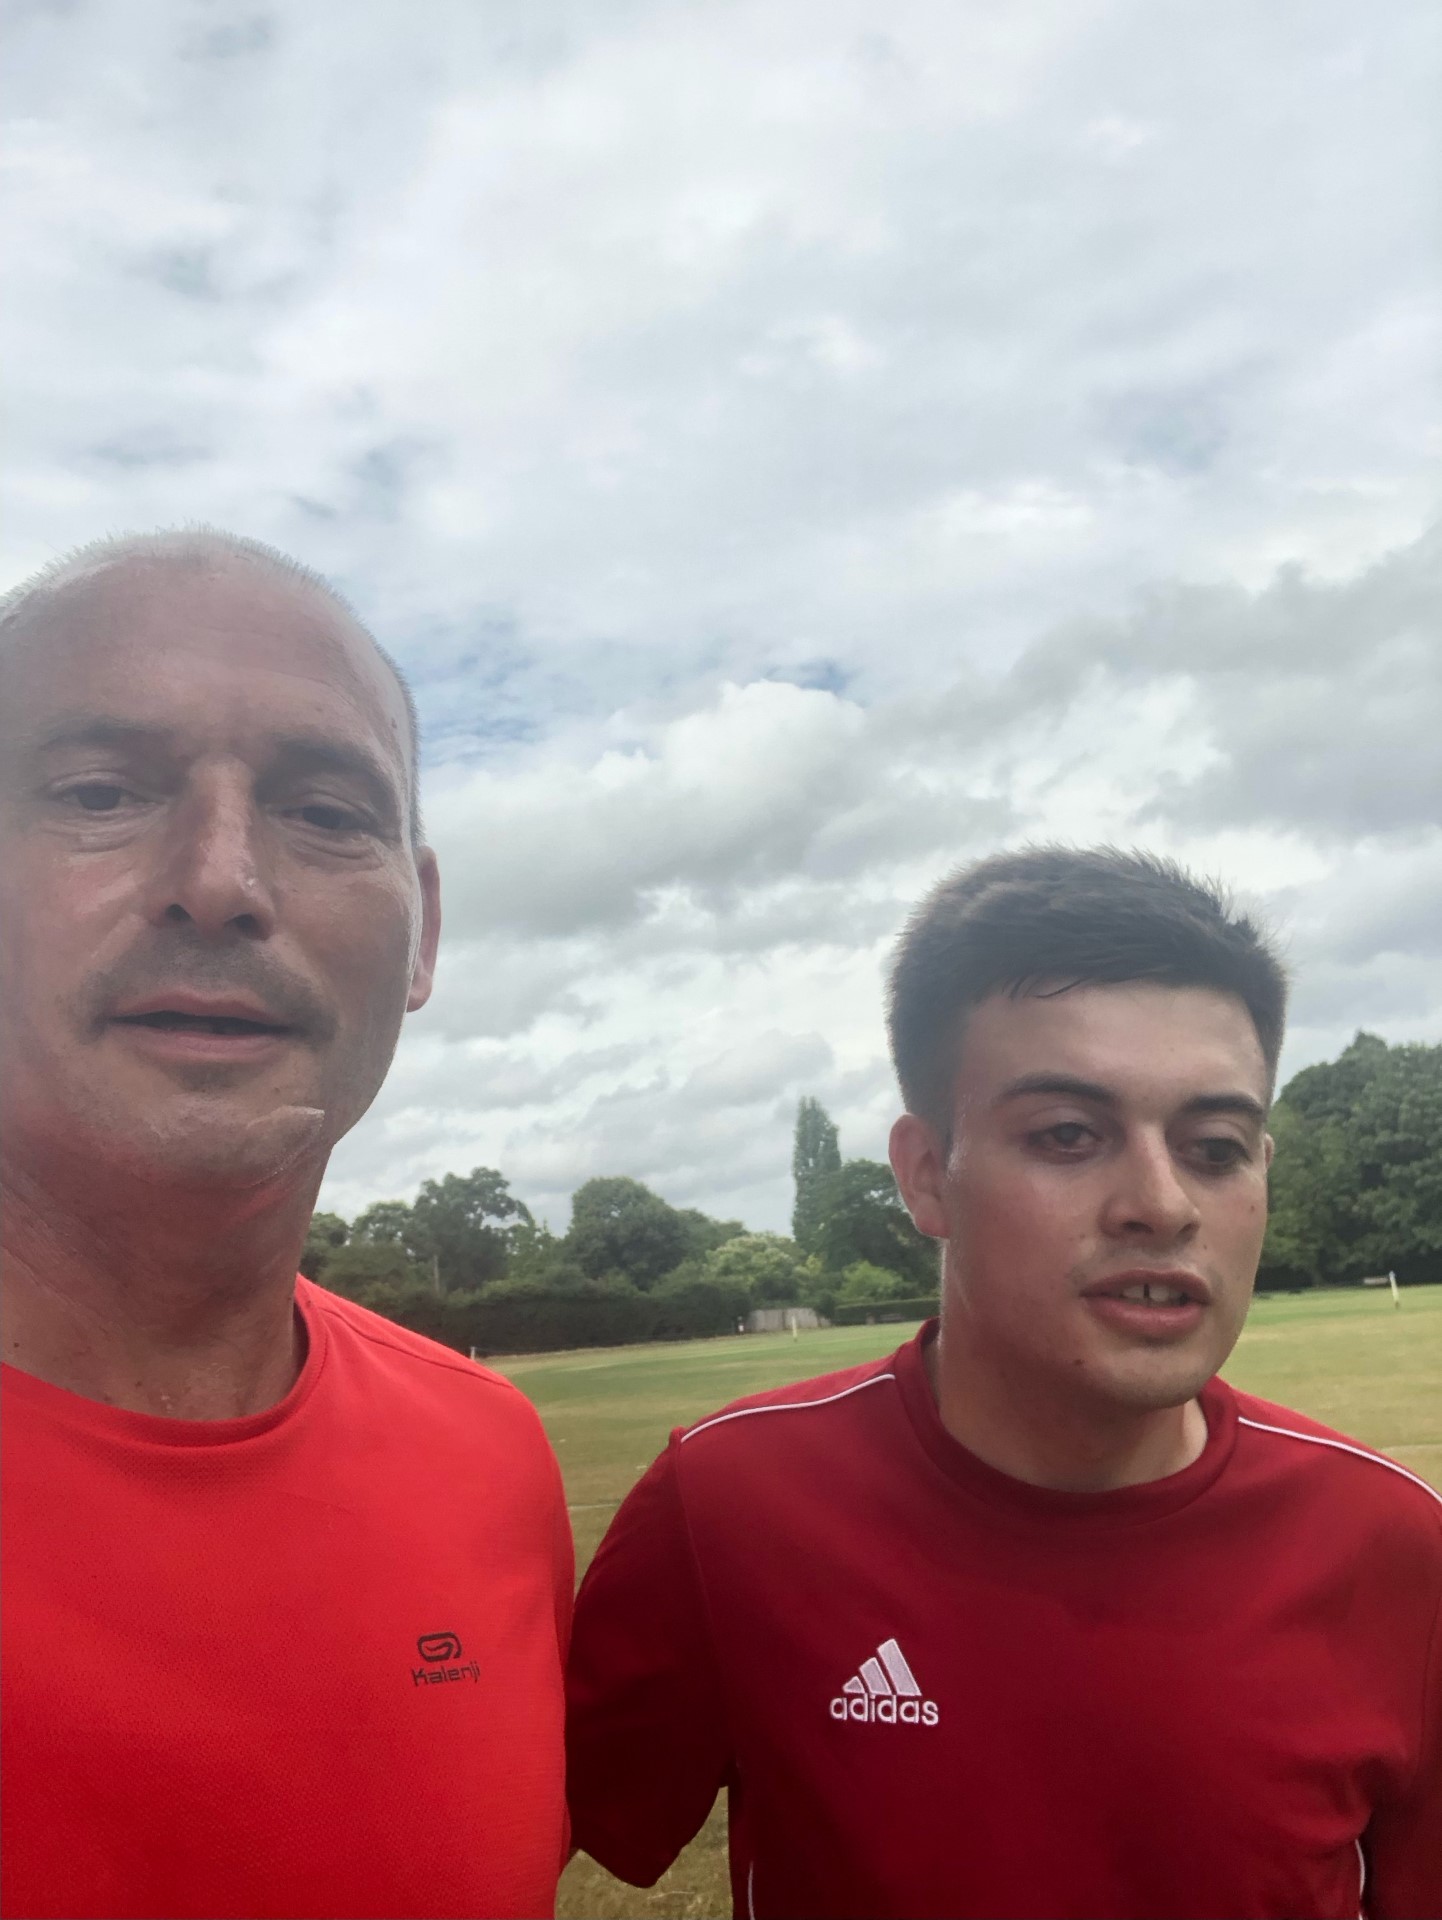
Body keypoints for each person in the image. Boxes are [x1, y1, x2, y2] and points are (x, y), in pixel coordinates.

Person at [565, 847, 1442, 1920]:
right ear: (926, 1171)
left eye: (1214, 1146)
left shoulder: (1393, 1544)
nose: (1159, 1204)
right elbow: (499, 1843)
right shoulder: (728, 1502)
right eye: (1067, 1135)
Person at [1, 531, 572, 1920]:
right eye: (98, 791)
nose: (222, 878)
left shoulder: (487, 1455)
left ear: (421, 930)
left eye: (325, 813)